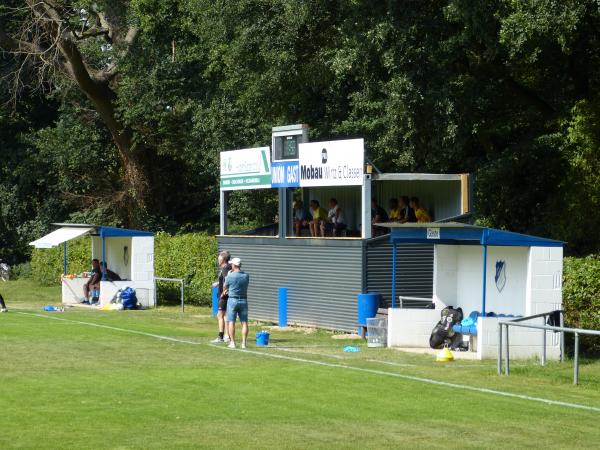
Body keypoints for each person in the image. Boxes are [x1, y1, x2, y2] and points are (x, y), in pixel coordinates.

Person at [223, 257, 250, 349]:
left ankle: (233, 343)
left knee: (231, 321)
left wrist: (227, 290)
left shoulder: (230, 276)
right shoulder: (246, 275)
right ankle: (244, 343)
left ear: (234, 265)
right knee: (244, 322)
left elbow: (225, 288)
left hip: (232, 300)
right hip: (243, 300)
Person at [211, 251, 232, 344]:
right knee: (226, 316)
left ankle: (221, 337)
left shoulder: (225, 268)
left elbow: (227, 281)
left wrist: (224, 291)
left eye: (219, 258)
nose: (218, 260)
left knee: (220, 315)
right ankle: (227, 336)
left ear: (223, 259)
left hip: (223, 296)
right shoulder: (228, 267)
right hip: (225, 295)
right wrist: (218, 283)